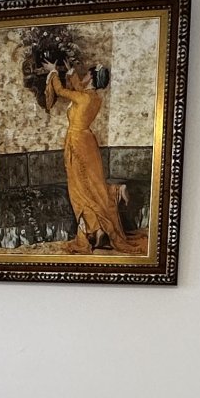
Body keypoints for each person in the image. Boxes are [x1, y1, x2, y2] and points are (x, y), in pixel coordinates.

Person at [44, 62, 144, 255]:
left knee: (80, 189)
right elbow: (80, 90)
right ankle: (100, 226)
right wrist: (72, 72)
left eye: (86, 75)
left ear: (90, 77)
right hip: (88, 142)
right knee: (91, 185)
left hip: (77, 143)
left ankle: (99, 221)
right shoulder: (94, 98)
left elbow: (60, 90)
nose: (83, 77)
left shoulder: (83, 97)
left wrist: (53, 71)